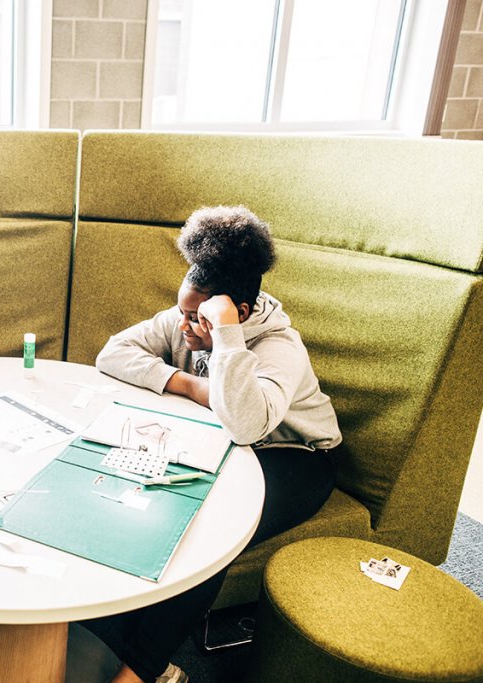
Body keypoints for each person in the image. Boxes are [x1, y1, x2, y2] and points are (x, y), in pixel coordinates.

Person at [86, 206, 342, 683]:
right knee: (136, 499)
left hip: (296, 458)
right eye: (181, 312)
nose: (183, 328)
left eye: (196, 318)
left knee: (210, 533)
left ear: (237, 313)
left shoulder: (278, 350)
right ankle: (128, 644)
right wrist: (191, 385)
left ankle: (139, 673)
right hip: (226, 448)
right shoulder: (187, 316)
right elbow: (113, 353)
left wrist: (225, 338)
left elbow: (245, 425)